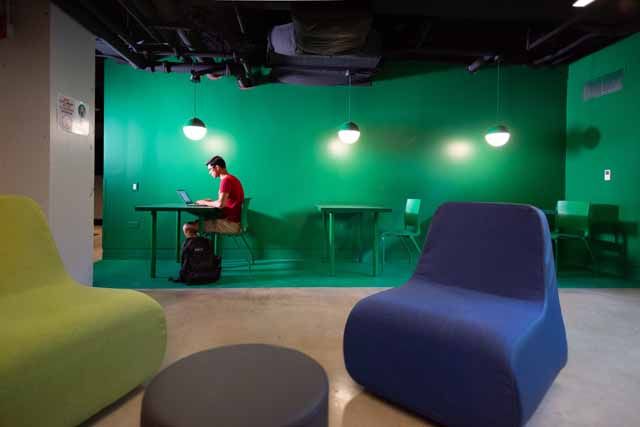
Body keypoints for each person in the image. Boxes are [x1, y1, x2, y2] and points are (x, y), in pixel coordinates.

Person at [183, 155, 244, 237]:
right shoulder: (232, 178)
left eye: (210, 170)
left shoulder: (226, 180)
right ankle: (202, 248)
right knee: (197, 223)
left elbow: (220, 204)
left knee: (187, 227)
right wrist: (211, 202)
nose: (209, 172)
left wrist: (204, 202)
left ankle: (200, 249)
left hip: (230, 224)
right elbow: (224, 202)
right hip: (233, 221)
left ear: (217, 167)